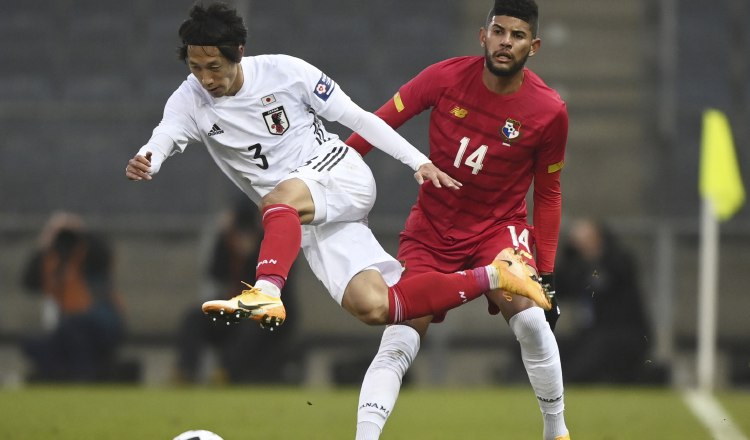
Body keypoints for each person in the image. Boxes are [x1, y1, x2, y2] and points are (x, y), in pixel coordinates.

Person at [124, 3, 549, 339]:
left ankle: (266, 291)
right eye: (195, 68)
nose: (205, 78)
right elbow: (167, 133)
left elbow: (359, 118)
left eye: (213, 67)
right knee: (376, 306)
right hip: (301, 218)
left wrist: (416, 160)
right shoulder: (190, 98)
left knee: (278, 199)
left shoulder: (286, 72)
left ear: (238, 54)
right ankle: (495, 274)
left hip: (338, 173)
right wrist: (150, 157)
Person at [345, 1, 570, 438]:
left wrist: (545, 273)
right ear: (482, 35)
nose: (506, 42)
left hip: (497, 229)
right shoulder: (444, 77)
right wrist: (332, 169)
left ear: (534, 45)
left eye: (518, 35)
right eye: (499, 31)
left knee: (528, 315)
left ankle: (555, 430)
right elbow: (378, 124)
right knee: (400, 337)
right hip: (430, 232)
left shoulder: (549, 111)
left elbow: (549, 193)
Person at [173, 200, 300, 384]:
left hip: (269, 315)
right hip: (237, 309)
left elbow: (277, 289)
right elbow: (215, 272)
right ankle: (186, 372)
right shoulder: (228, 242)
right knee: (194, 318)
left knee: (249, 329)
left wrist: (252, 255)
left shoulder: (272, 243)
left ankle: (226, 374)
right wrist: (223, 239)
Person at [20, 212, 126, 382]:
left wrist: (79, 231)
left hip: (102, 322)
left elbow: (103, 253)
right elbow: (29, 282)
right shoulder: (51, 259)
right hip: (67, 325)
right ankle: (61, 378)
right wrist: (44, 243)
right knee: (34, 343)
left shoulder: (89, 256)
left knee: (73, 327)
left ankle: (83, 377)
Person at [555, 218, 653, 384]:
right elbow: (560, 287)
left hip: (624, 333)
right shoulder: (577, 265)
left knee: (581, 367)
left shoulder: (618, 260)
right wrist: (569, 253)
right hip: (591, 334)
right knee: (554, 349)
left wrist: (591, 257)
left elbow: (598, 281)